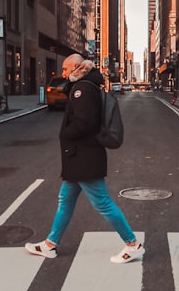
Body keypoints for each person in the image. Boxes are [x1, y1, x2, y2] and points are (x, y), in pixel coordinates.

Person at [25, 53, 144, 264]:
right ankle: (50, 244)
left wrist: (65, 134)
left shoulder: (83, 88)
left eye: (64, 69)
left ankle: (132, 244)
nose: (62, 73)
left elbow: (85, 123)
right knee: (66, 201)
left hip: (84, 157)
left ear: (76, 68)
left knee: (103, 203)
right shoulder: (87, 86)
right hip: (80, 157)